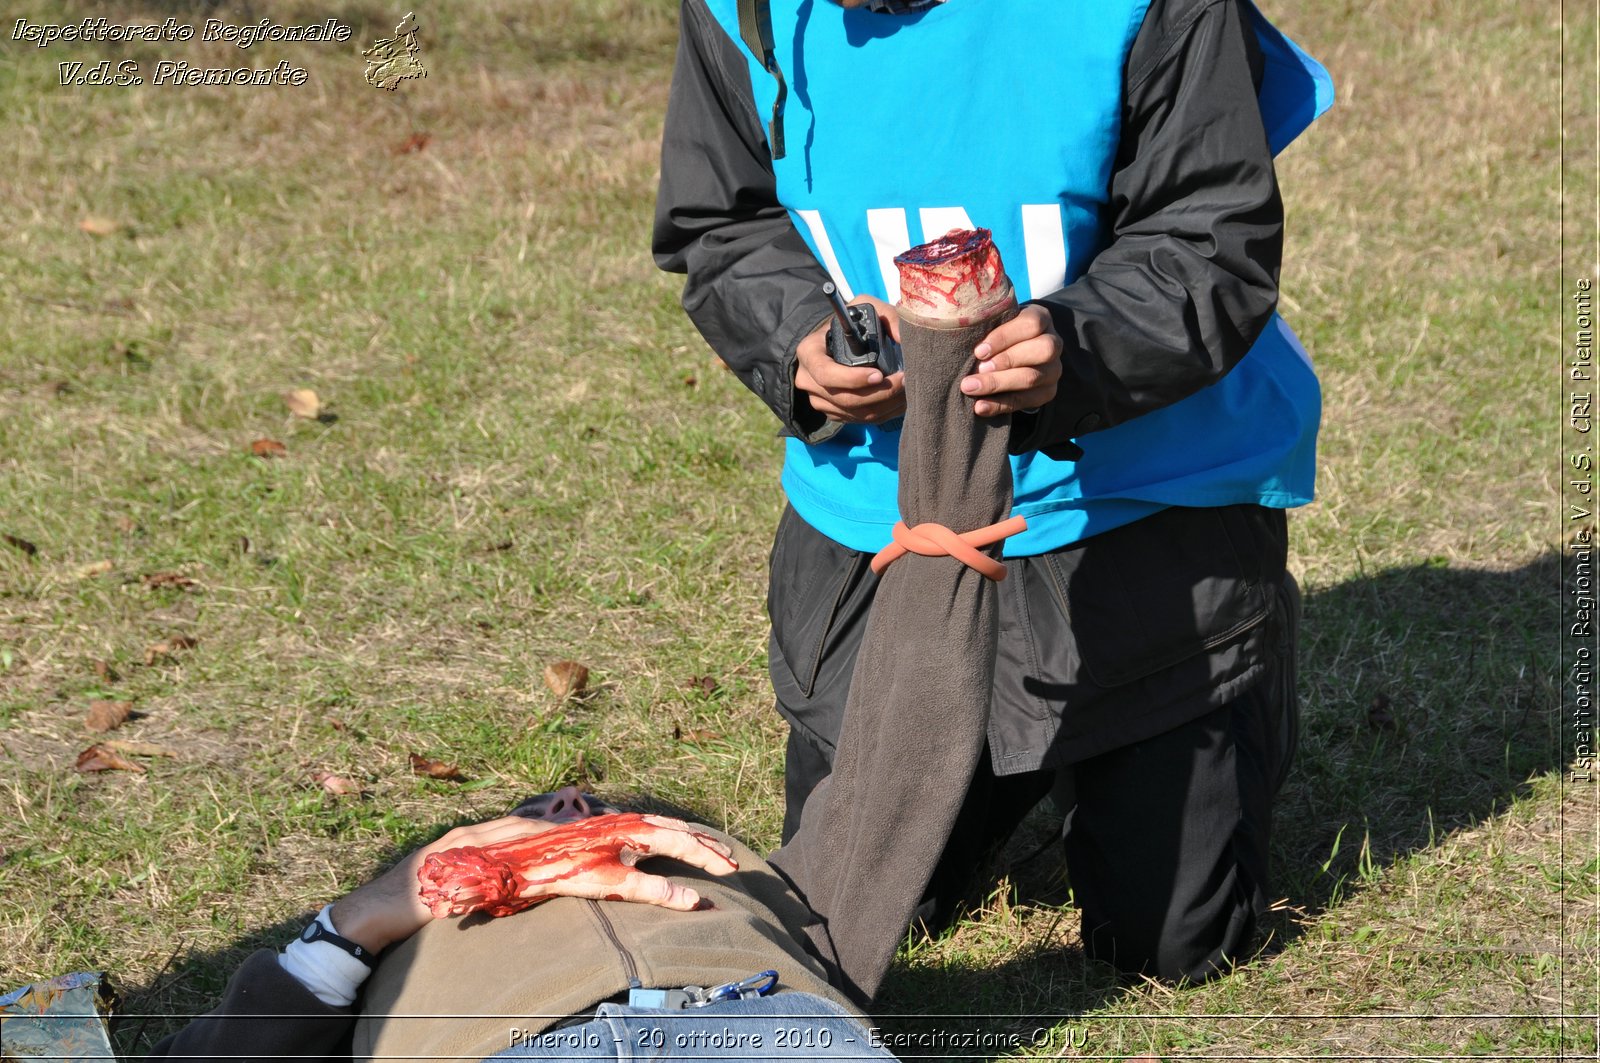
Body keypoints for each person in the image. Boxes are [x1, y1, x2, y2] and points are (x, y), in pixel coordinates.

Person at [653, 0, 1332, 983]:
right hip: (886, 516)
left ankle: (1212, 679)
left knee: (1175, 944)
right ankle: (1008, 749)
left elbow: (1209, 234)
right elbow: (724, 220)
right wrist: (799, 346)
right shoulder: (739, 10)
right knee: (859, 906)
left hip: (1138, 500)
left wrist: (1077, 348)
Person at [146, 788, 899, 1061]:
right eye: (538, 813)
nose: (574, 805)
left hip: (764, 1030)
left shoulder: (740, 870)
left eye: (595, 804)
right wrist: (376, 908)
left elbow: (893, 786)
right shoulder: (412, 906)